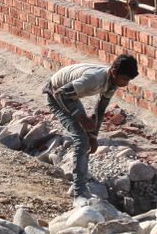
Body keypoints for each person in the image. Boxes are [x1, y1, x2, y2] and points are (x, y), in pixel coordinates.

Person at [44, 55, 138, 201]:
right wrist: (81, 118)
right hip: (55, 95)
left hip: (70, 97)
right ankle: (79, 192)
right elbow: (60, 93)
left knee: (87, 139)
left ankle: (81, 178)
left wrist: (93, 136)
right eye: (125, 79)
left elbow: (100, 109)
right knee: (81, 139)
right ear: (114, 72)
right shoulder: (94, 79)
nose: (126, 84)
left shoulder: (112, 83)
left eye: (128, 80)